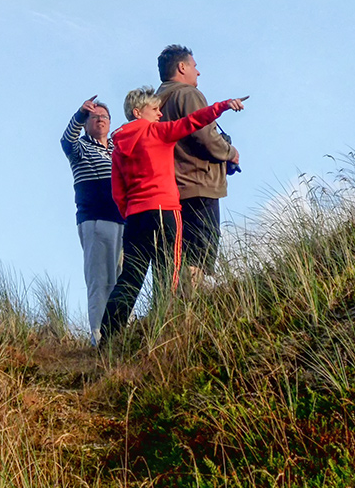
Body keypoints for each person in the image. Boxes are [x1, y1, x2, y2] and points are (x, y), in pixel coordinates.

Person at [97, 86, 246, 345]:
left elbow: (118, 190)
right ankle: (166, 331)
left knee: (130, 276)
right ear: (137, 112)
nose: (160, 112)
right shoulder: (158, 132)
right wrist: (223, 105)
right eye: (154, 109)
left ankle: (107, 337)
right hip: (165, 211)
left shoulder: (119, 145)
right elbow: (194, 121)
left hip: (135, 216)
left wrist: (129, 212)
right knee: (168, 273)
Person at [155, 45, 241, 287]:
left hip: (166, 192)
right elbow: (204, 136)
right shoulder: (188, 95)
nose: (198, 72)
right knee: (198, 255)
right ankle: (190, 312)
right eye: (194, 66)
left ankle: (167, 313)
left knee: (170, 259)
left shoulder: (154, 102)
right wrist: (230, 152)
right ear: (182, 67)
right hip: (197, 185)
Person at [60, 96, 124, 344]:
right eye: (94, 116)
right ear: (86, 124)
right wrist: (79, 114)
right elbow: (67, 140)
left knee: (119, 277)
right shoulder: (81, 149)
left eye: (104, 117)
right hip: (96, 218)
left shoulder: (116, 150)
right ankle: (98, 334)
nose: (99, 120)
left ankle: (117, 331)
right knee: (99, 278)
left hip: (121, 219)